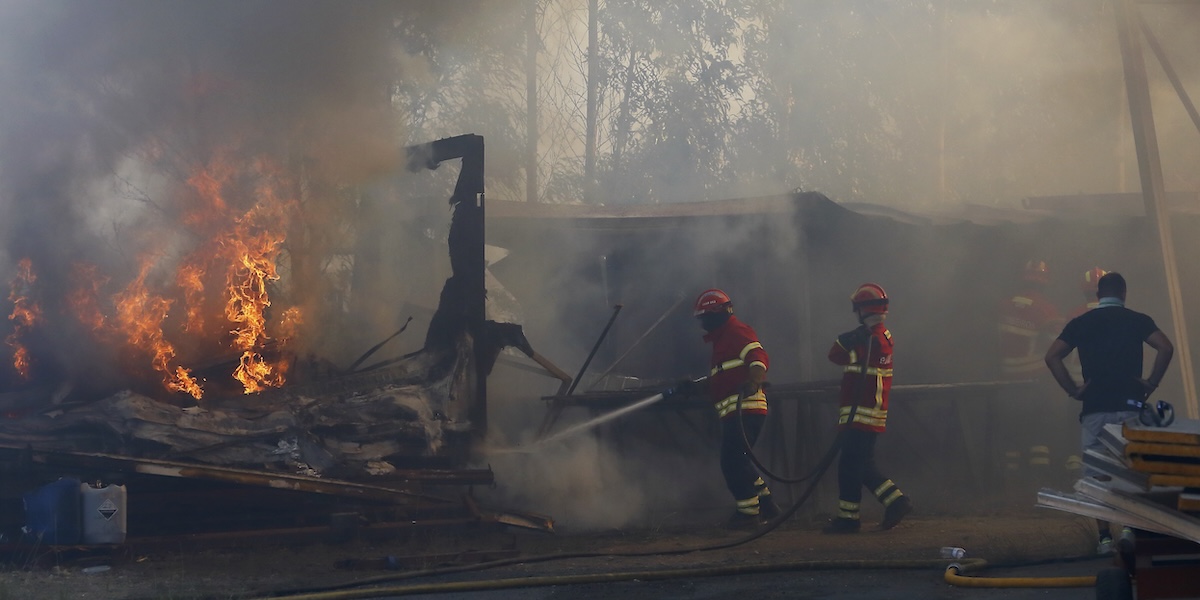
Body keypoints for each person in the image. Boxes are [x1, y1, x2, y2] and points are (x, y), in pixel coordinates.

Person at [1044, 271, 1174, 555]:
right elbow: (1165, 347)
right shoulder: (1138, 320)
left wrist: (1073, 389)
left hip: (1094, 410)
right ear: (1124, 294)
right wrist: (1151, 383)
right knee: (1129, 470)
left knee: (1096, 476)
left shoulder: (1081, 323)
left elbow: (1052, 356)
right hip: (1131, 407)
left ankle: (1104, 539)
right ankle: (1128, 528)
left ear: (1098, 296)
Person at [823, 283, 912, 534]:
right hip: (870, 413)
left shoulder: (867, 342)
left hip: (860, 413)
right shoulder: (883, 336)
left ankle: (849, 519)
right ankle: (895, 501)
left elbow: (835, 355)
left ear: (863, 310)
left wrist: (847, 338)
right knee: (862, 464)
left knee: (850, 466)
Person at [689, 288, 780, 529]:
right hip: (736, 412)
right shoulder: (722, 341)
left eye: (704, 317)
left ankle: (749, 513)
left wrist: (754, 381)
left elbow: (759, 358)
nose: (702, 323)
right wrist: (693, 387)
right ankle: (767, 504)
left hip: (745, 410)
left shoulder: (737, 331)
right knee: (740, 460)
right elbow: (724, 377)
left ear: (717, 313)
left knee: (731, 463)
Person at [996, 259, 1066, 492]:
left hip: (1007, 381)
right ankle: (1039, 483)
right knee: (1039, 433)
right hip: (1034, 381)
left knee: (1012, 433)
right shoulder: (1047, 309)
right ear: (1045, 283)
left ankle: (1011, 485)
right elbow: (1056, 347)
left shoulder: (1004, 305)